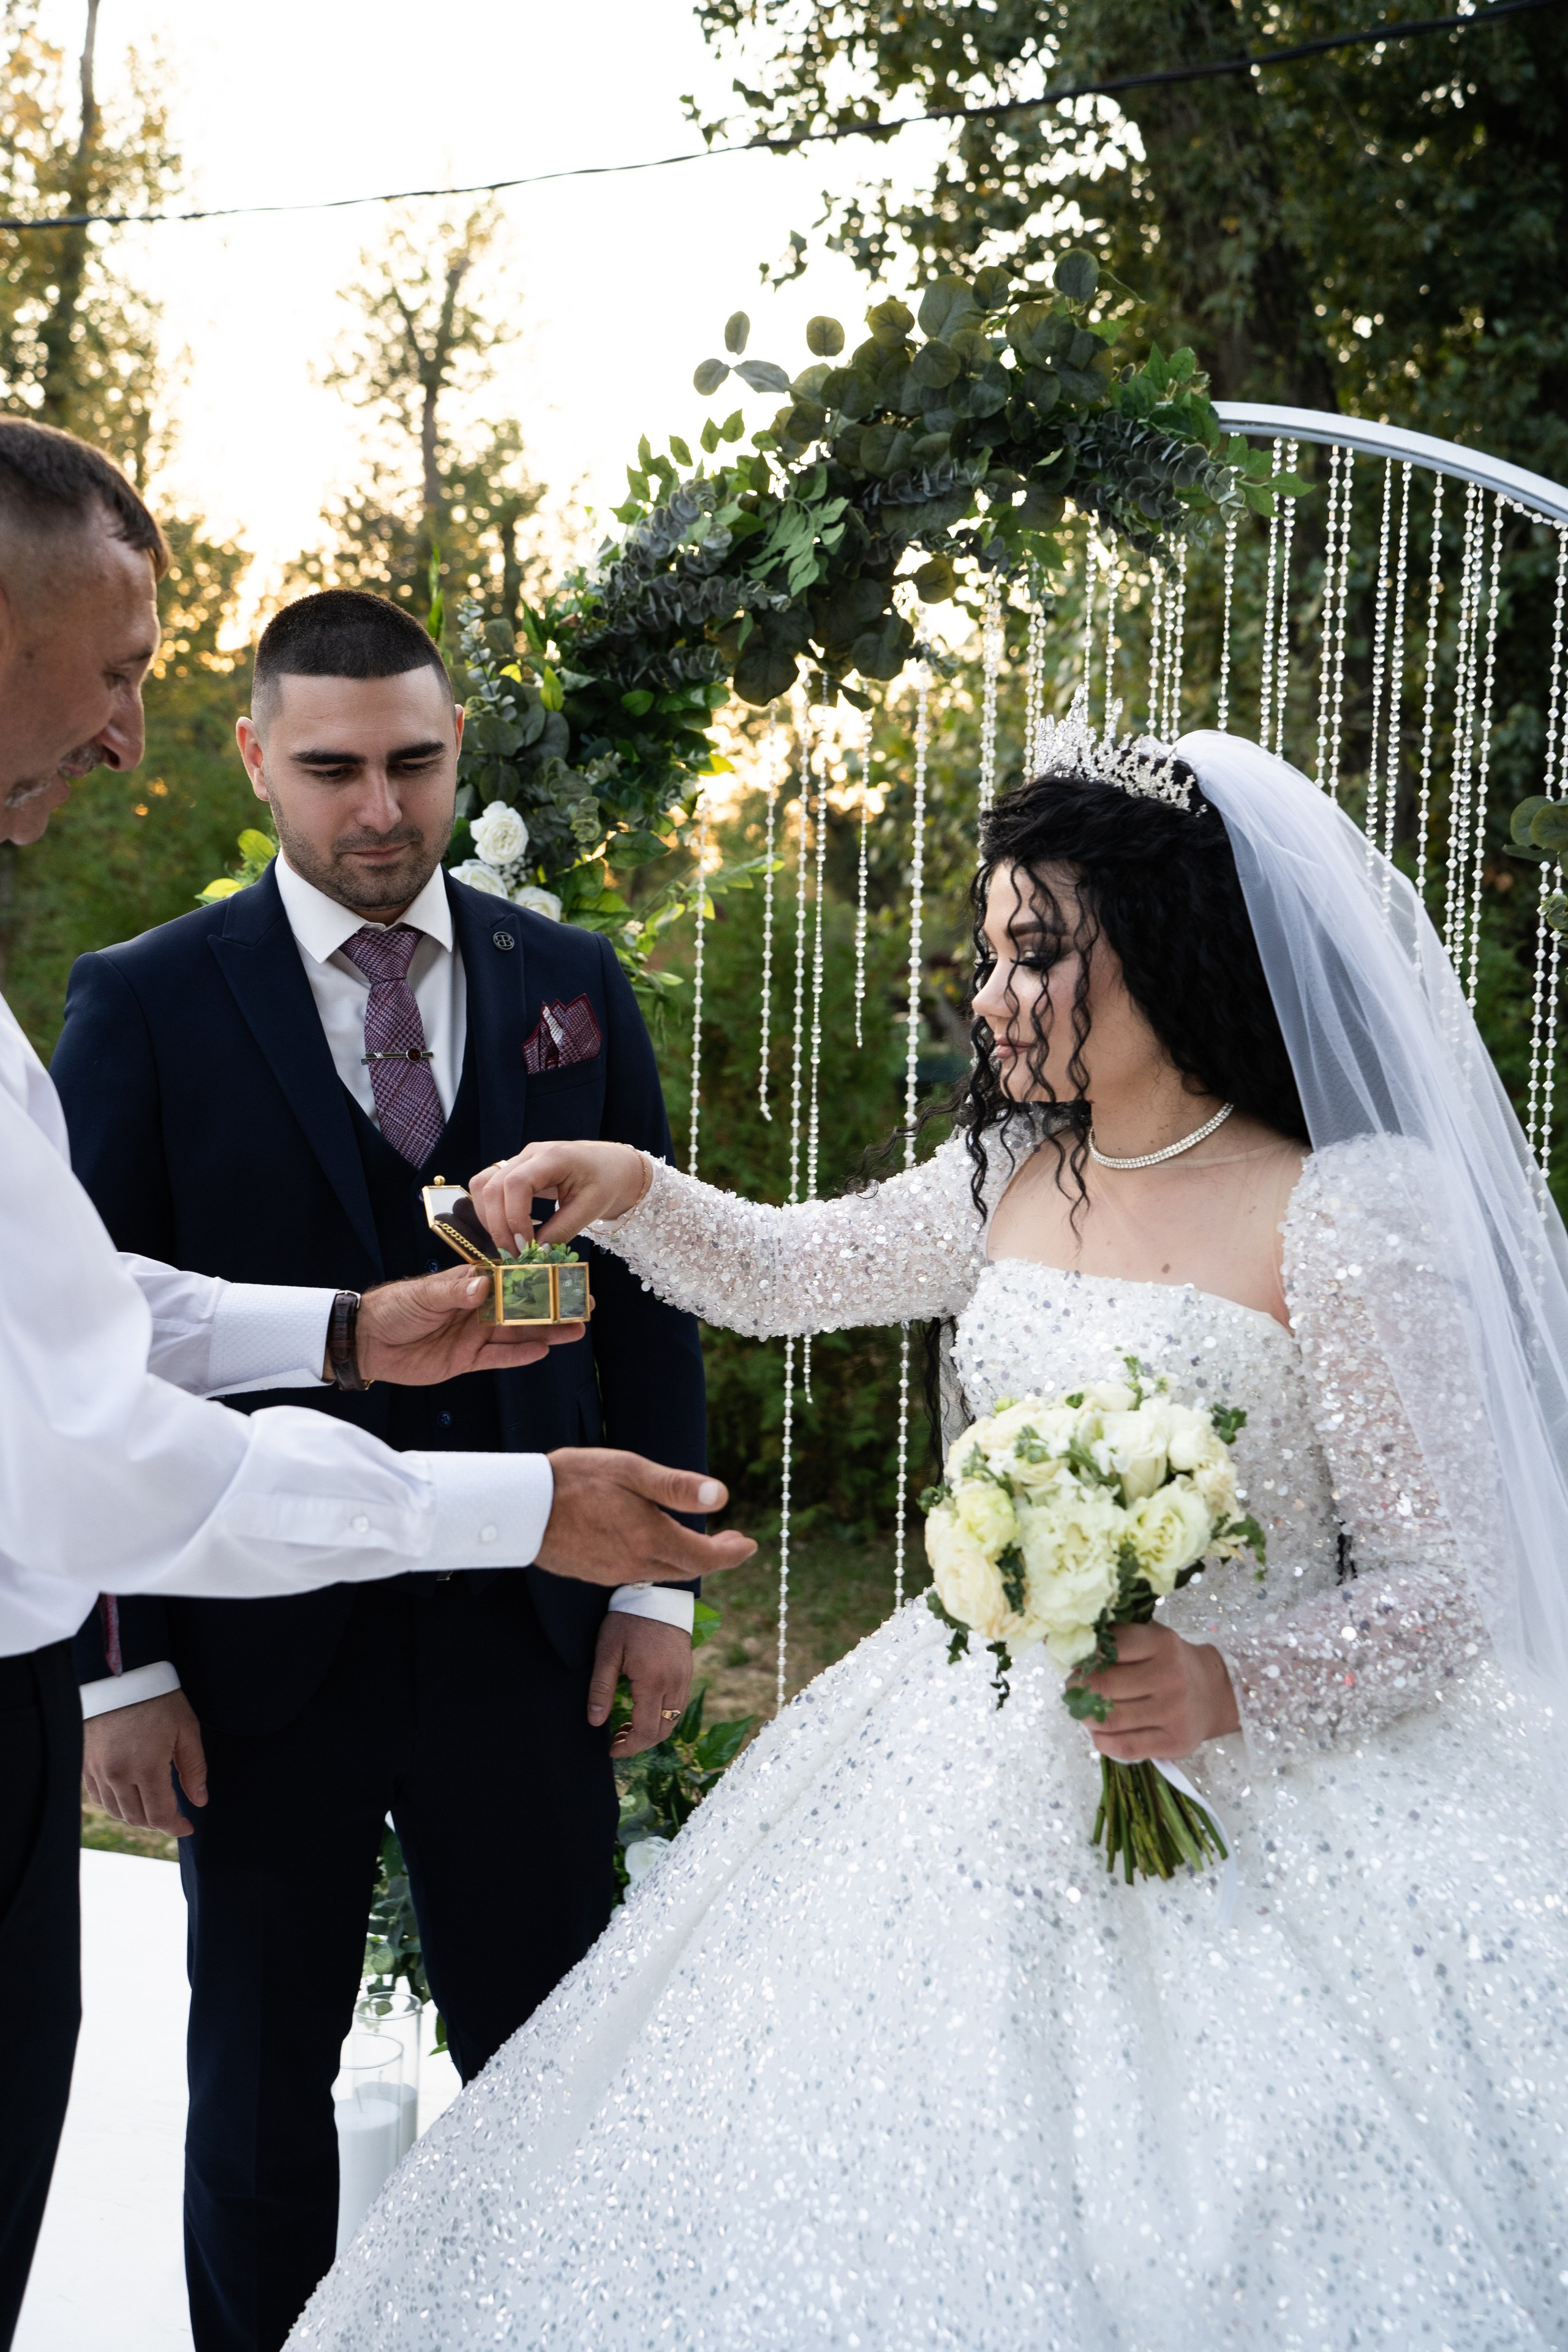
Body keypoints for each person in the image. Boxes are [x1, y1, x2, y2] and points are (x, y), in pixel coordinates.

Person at [291, 711, 1568, 2352]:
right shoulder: (1015, 1172)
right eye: (989, 951)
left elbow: (1451, 1586)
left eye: (1035, 951)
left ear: (1168, 950)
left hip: (1273, 1793)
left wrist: (1231, 1684)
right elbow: (788, 1270)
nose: (989, 995)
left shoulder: (1349, 1212)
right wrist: (625, 1184)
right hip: (956, 1760)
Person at [0, 417, 752, 2352]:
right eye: (330, 764)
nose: (380, 806)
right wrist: (126, 1665)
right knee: (253, 2107)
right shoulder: (142, 1001)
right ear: (266, 762)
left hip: (524, 1639)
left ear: (457, 756)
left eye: (415, 761)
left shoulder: (568, 975)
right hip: (255, 1673)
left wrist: (644, 1575)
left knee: (556, 2070)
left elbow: (649, 1296)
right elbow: (77, 1370)